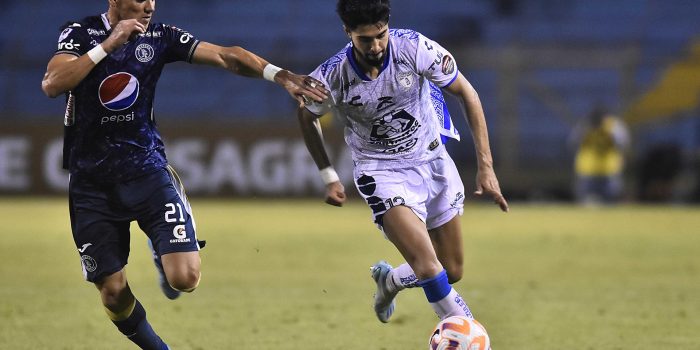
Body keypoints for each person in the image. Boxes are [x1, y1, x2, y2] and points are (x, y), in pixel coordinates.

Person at [41, 1, 327, 349]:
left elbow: (226, 55)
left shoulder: (160, 37)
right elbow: (53, 84)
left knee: (185, 278)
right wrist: (108, 45)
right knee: (113, 294)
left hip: (146, 172)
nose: (149, 5)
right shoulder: (81, 33)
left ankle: (165, 237)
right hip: (91, 186)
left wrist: (280, 75)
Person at [297, 0, 508, 326]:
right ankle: (472, 340)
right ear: (347, 32)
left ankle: (390, 281)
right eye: (365, 39)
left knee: (450, 270)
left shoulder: (415, 48)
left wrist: (486, 166)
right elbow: (306, 114)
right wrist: (329, 175)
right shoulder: (333, 75)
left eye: (381, 35)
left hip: (432, 160)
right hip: (381, 173)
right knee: (427, 265)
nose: (376, 46)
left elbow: (467, 92)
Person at [568, 106, 630, 204]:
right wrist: (584, 131)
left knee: (611, 202)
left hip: (609, 170)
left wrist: (610, 133)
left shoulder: (614, 126)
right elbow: (573, 143)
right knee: (585, 203)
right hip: (587, 170)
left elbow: (623, 144)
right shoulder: (584, 126)